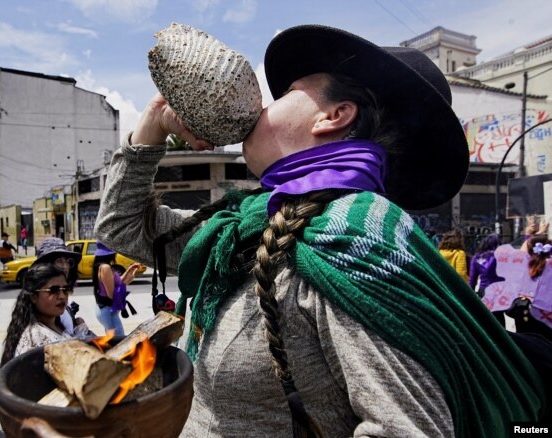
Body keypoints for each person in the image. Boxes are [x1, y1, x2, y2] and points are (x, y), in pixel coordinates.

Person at [95, 25, 544, 436]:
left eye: (289, 91)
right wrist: (151, 126)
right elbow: (124, 227)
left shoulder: (353, 239)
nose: (266, 104)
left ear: (334, 115)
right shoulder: (247, 227)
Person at [0, 263, 91, 367]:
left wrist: (80, 330)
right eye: (53, 290)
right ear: (34, 297)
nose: (62, 296)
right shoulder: (36, 338)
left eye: (65, 289)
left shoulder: (56, 325)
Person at [32, 237, 92, 337]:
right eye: (59, 261)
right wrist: (81, 331)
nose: (64, 266)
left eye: (67, 261)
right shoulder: (44, 306)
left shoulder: (60, 301)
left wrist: (76, 324)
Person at [92, 242, 141, 336]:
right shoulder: (105, 268)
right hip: (107, 311)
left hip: (108, 311)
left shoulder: (103, 266)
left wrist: (129, 271)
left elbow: (116, 282)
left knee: (115, 341)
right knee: (118, 341)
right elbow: (112, 295)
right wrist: (127, 282)